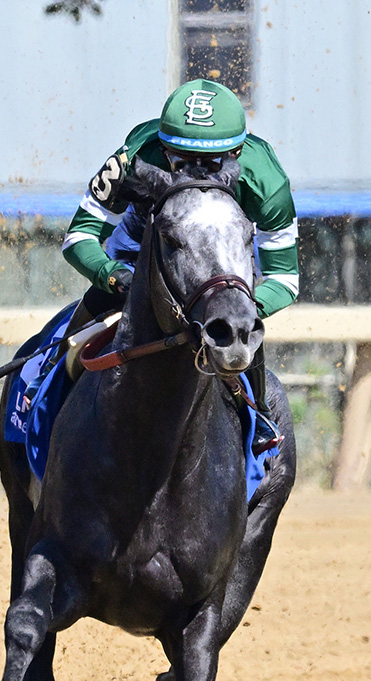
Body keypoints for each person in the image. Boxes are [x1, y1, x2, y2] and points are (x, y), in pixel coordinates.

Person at [62, 78, 299, 453]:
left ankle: (261, 421)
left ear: (237, 152)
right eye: (181, 158)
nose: (196, 171)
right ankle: (45, 412)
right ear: (161, 145)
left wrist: (239, 307)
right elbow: (79, 237)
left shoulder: (265, 178)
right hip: (138, 261)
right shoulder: (135, 154)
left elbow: (284, 279)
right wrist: (112, 275)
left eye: (211, 162)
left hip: (227, 277)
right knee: (68, 347)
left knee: (241, 329)